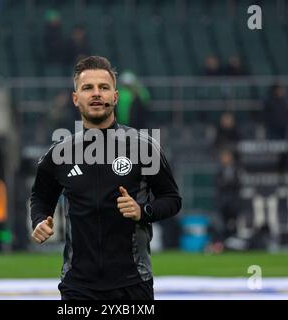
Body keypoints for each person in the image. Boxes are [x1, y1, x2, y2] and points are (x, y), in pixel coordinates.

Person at [30, 56, 182, 300]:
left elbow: (172, 199)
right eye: (88, 88)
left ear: (115, 96)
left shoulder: (143, 147)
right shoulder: (59, 154)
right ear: (75, 98)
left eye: (103, 87)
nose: (96, 94)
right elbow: (40, 197)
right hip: (77, 286)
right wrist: (39, 220)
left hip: (133, 284)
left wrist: (143, 211)